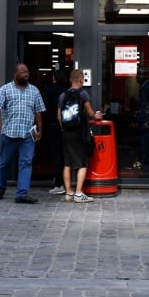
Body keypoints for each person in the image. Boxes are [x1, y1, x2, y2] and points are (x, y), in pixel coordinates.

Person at [0, 63, 46, 204]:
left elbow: (38, 111)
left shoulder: (34, 91)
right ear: (15, 73)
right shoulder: (5, 89)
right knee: (4, 164)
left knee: (26, 163)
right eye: (23, 72)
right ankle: (1, 188)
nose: (26, 74)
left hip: (28, 135)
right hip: (9, 134)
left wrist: (40, 129)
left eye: (27, 72)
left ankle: (21, 194)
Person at [58, 69, 102, 203]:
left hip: (66, 133)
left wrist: (64, 129)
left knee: (67, 163)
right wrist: (97, 116)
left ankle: (68, 193)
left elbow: (59, 116)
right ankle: (78, 194)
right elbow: (90, 113)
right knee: (82, 163)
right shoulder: (83, 94)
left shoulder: (63, 95)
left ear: (70, 80)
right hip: (79, 133)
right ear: (81, 80)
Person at [44, 70, 69, 195]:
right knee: (65, 155)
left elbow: (44, 109)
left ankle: (59, 184)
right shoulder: (68, 91)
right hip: (67, 128)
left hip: (53, 126)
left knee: (56, 156)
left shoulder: (50, 90)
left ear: (53, 78)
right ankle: (66, 182)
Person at [132, 68, 149, 170]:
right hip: (142, 120)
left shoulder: (148, 87)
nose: (137, 77)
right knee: (141, 144)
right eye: (137, 75)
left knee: (146, 145)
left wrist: (148, 121)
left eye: (139, 75)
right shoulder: (142, 86)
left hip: (146, 123)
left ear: (145, 75)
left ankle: (146, 167)